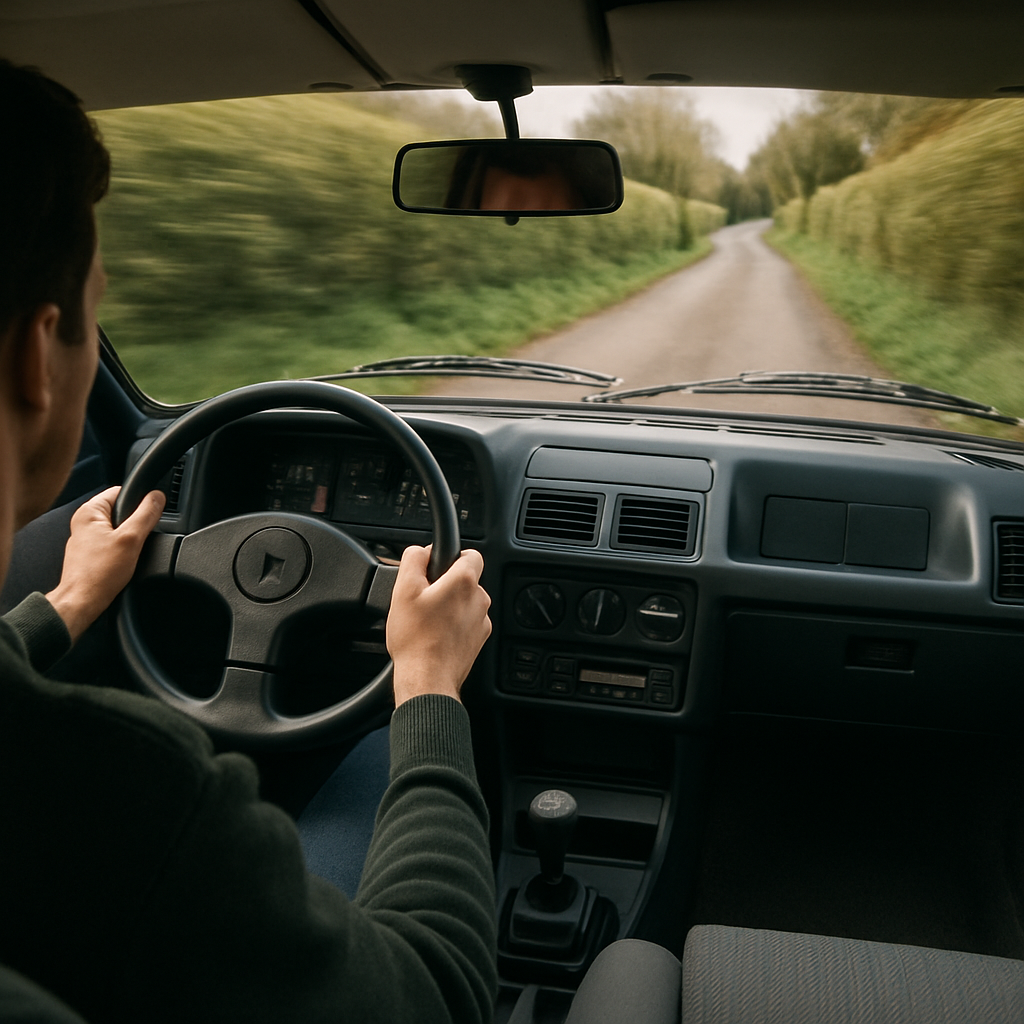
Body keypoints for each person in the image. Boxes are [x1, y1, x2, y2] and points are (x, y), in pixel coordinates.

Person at [0, 58, 497, 1024]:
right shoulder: (131, 800)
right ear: (38, 356)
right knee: (366, 761)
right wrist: (430, 685)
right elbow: (438, 995)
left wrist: (61, 609)